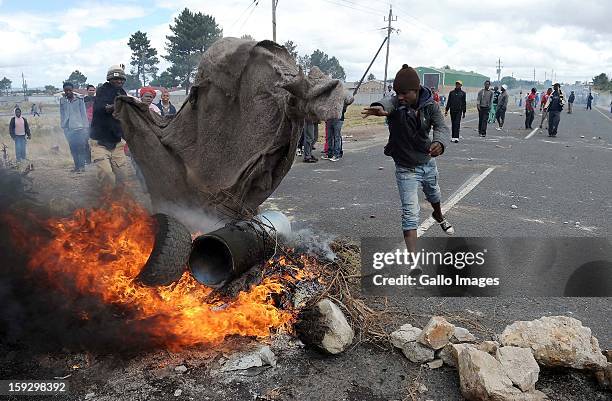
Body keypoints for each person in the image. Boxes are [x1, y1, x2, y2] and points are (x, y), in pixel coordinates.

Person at [361, 64, 454, 266]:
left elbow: (440, 126)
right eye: (398, 93)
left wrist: (439, 142)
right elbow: (389, 103)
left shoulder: (430, 105)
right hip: (405, 168)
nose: (400, 96)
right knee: (410, 213)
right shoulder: (397, 103)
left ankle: (438, 215)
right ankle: (414, 263)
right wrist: (381, 107)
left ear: (416, 89)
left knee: (434, 195)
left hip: (427, 162)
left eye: (405, 93)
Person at [90, 64, 129, 188]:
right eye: (116, 79)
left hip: (117, 142)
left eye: (121, 79)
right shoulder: (102, 91)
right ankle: (105, 200)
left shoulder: (122, 93)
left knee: (122, 176)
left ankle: (120, 202)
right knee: (107, 175)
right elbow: (102, 108)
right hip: (100, 142)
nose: (119, 81)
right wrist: (116, 105)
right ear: (109, 79)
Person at [59, 82, 90, 173]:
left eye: (69, 90)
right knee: (73, 149)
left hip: (79, 128)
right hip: (68, 129)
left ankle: (82, 167)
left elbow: (83, 114)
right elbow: (62, 114)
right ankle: (76, 167)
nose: (68, 92)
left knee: (80, 148)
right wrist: (63, 125)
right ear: (64, 91)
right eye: (66, 90)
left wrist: (85, 127)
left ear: (72, 90)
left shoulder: (79, 100)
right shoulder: (62, 100)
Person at [323, 94, 354, 162]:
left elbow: (344, 109)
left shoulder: (341, 99)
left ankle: (336, 154)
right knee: (329, 137)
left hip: (338, 119)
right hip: (329, 119)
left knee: (336, 137)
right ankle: (329, 153)